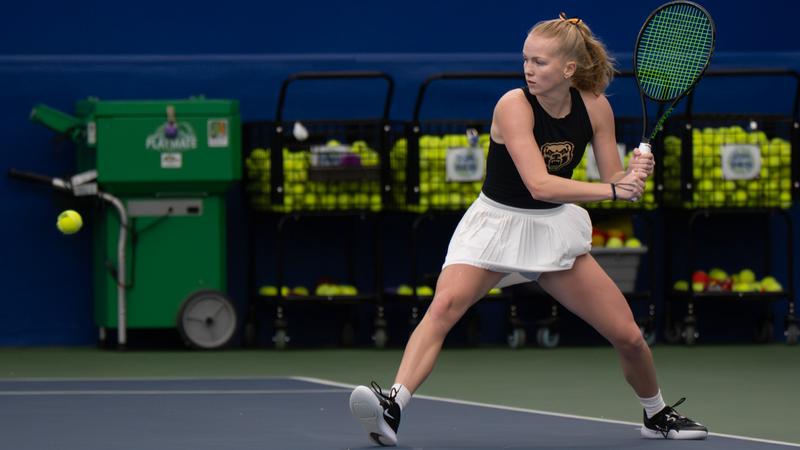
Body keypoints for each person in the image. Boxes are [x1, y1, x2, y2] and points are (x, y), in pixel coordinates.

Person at [349, 12, 707, 446]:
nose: (528, 69)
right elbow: (539, 184)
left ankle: (656, 413)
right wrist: (614, 189)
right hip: (496, 226)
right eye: (526, 60)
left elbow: (613, 178)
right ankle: (393, 406)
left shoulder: (595, 107)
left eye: (539, 62)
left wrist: (631, 176)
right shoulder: (513, 105)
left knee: (628, 335)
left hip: (553, 231)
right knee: (443, 308)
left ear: (568, 68)